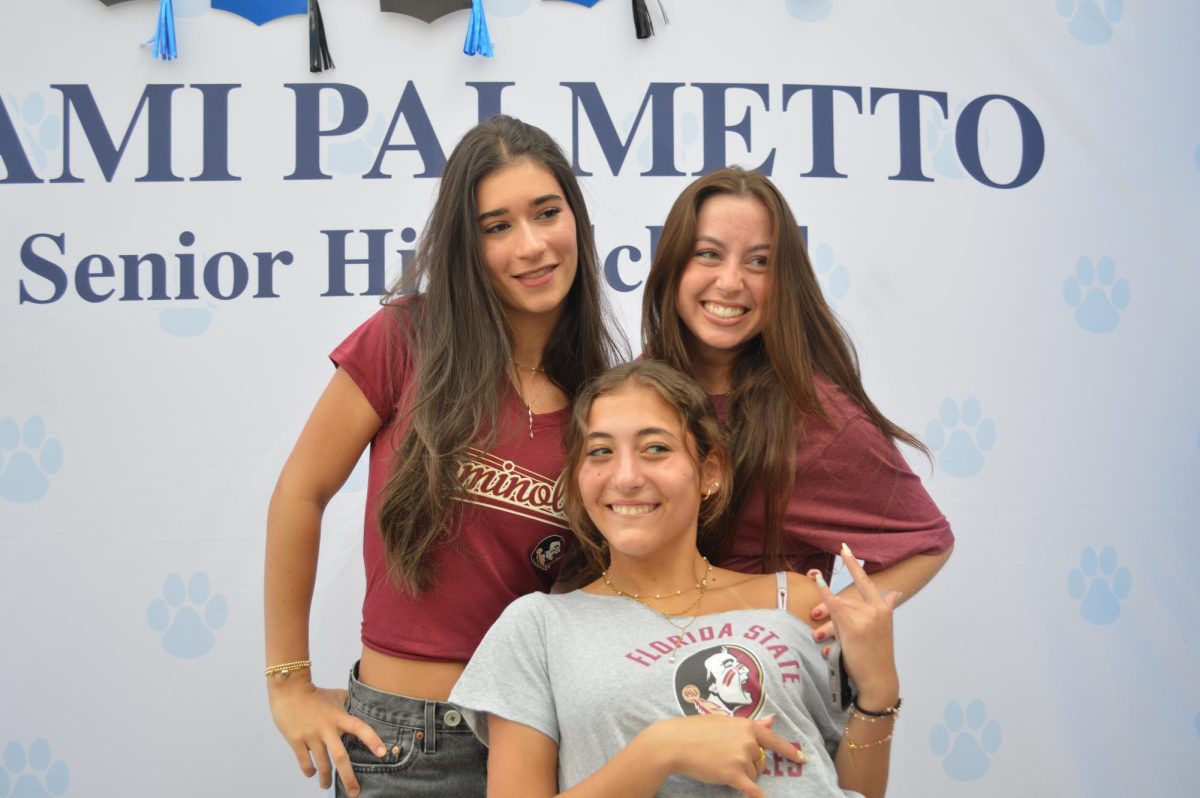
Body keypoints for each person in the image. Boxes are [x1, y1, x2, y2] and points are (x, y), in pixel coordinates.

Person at [263, 115, 623, 798]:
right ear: (466, 244)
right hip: (405, 749)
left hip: (546, 740)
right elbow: (298, 493)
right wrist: (288, 683)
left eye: (548, 213)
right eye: (497, 226)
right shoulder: (405, 339)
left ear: (576, 219)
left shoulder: (602, 393)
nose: (532, 245)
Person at [451, 361, 902, 798]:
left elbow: (850, 788)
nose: (626, 478)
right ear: (577, 477)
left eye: (656, 449)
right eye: (601, 451)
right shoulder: (537, 628)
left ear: (710, 471)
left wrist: (879, 690)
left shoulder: (796, 600)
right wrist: (657, 753)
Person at [641, 167, 954, 643]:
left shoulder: (813, 417)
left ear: (785, 279)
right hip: (636, 662)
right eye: (708, 254)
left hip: (752, 684)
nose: (729, 281)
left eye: (759, 262)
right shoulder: (635, 388)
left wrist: (833, 617)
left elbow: (927, 542)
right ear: (671, 264)